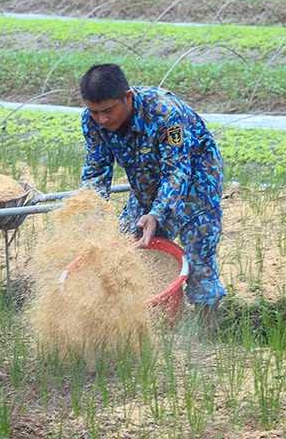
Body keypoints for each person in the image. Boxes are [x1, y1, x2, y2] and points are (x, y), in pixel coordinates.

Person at [79, 63, 226, 317]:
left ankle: (208, 322)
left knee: (198, 249)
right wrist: (92, 215)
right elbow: (95, 172)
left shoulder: (169, 117)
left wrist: (157, 213)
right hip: (145, 180)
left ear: (127, 97)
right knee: (130, 242)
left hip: (196, 180)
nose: (102, 119)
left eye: (107, 111)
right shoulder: (92, 122)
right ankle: (149, 317)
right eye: (94, 112)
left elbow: (179, 170)